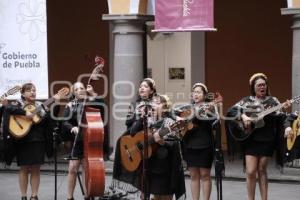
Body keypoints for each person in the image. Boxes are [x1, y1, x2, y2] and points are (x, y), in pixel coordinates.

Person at [112, 78, 186, 200]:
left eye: (145, 86)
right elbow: (130, 126)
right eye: (140, 86)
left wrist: (177, 118)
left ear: (152, 90)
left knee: (159, 189)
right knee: (144, 183)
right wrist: (140, 118)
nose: (141, 88)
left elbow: (168, 112)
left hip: (157, 146)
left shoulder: (158, 102)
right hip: (139, 140)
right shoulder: (135, 104)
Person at [226, 73, 290, 200]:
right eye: (259, 85)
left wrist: (286, 114)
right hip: (250, 139)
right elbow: (231, 110)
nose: (262, 87)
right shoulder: (246, 100)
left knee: (261, 169)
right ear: (253, 87)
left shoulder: (273, 101)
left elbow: (282, 117)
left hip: (267, 139)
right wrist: (243, 116)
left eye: (264, 84)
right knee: (250, 171)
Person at [2, 83, 56, 200]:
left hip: (38, 140)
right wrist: (25, 113)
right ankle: (23, 196)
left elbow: (47, 121)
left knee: (36, 168)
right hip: (23, 140)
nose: (32, 92)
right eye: (29, 90)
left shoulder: (40, 105)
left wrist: (47, 110)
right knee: (24, 168)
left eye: (34, 90)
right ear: (23, 93)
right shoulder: (18, 104)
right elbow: (9, 108)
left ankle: (34, 195)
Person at [62, 82, 105, 200]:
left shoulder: (91, 101)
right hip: (77, 139)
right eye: (77, 89)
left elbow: (103, 105)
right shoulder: (71, 105)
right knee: (72, 168)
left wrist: (93, 94)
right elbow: (65, 121)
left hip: (91, 138)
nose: (80, 90)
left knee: (86, 168)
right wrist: (73, 128)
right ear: (74, 93)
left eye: (82, 88)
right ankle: (69, 197)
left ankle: (88, 195)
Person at [180, 83, 218, 200]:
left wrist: (207, 113)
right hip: (190, 145)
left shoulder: (210, 107)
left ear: (205, 95)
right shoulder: (187, 108)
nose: (196, 94)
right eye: (194, 92)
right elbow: (181, 125)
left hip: (205, 145)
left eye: (199, 92)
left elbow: (214, 123)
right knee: (193, 176)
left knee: (205, 176)